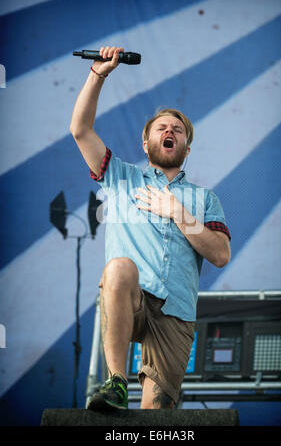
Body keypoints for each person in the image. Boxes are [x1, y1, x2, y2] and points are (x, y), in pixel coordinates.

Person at [70, 46, 231, 410]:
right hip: (133, 298)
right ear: (146, 143)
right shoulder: (121, 177)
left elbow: (220, 255)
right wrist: (98, 74)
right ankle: (115, 383)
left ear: (186, 149)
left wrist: (178, 213)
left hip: (177, 310)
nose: (169, 131)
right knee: (120, 268)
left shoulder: (204, 199)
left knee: (156, 417)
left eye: (178, 130)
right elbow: (80, 129)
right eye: (161, 128)